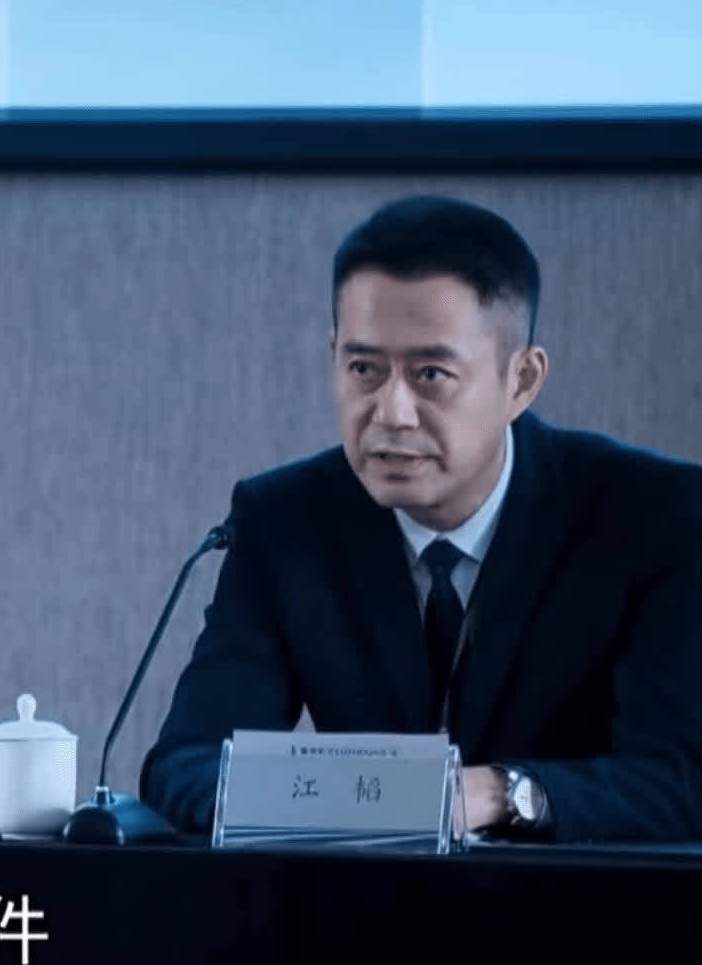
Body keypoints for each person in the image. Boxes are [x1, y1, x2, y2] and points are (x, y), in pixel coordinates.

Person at [141, 194, 702, 844]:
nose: (391, 413)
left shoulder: (654, 516)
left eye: (430, 373)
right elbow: (184, 767)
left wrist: (501, 794)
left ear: (521, 381)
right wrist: (375, 797)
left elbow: (681, 781)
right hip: (354, 902)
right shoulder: (285, 521)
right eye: (363, 369)